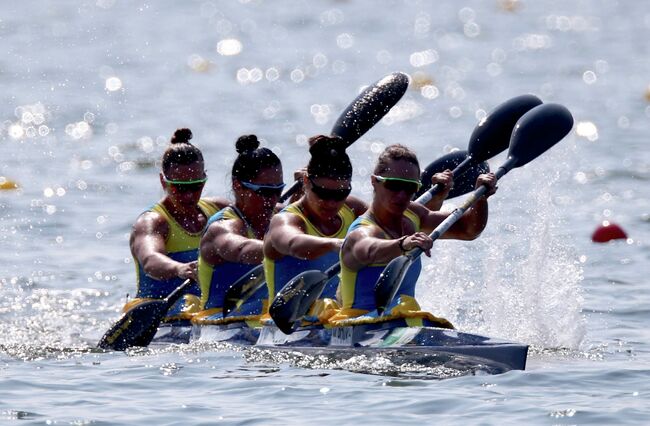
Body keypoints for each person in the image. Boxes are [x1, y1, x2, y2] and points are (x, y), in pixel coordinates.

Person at [331, 144, 496, 325]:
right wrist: (402, 244)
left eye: (409, 187)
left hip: (403, 322)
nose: (402, 195)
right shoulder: (362, 230)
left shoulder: (414, 215)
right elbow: (369, 249)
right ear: (374, 181)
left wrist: (481, 199)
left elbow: (469, 229)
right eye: (394, 185)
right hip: (358, 324)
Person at [128, 128, 229, 322]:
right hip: (162, 318)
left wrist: (303, 193)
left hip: (202, 313)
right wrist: (179, 269)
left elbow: (276, 213)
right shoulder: (152, 222)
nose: (189, 195)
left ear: (205, 178)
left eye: (196, 185)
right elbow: (150, 259)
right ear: (163, 181)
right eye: (180, 187)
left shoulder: (218, 211)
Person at [262, 135, 367, 320]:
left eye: (341, 193)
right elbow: (294, 243)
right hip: (290, 324)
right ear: (306, 181)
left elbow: (395, 225)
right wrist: (334, 244)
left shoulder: (352, 209)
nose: (332, 202)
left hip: (338, 318)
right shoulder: (286, 220)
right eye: (323, 193)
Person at [193, 135, 283, 323]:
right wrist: (289, 246)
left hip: (266, 318)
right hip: (223, 322)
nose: (273, 199)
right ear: (238, 185)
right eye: (265, 191)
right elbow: (241, 250)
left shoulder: (284, 217)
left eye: (278, 190)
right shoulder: (222, 228)